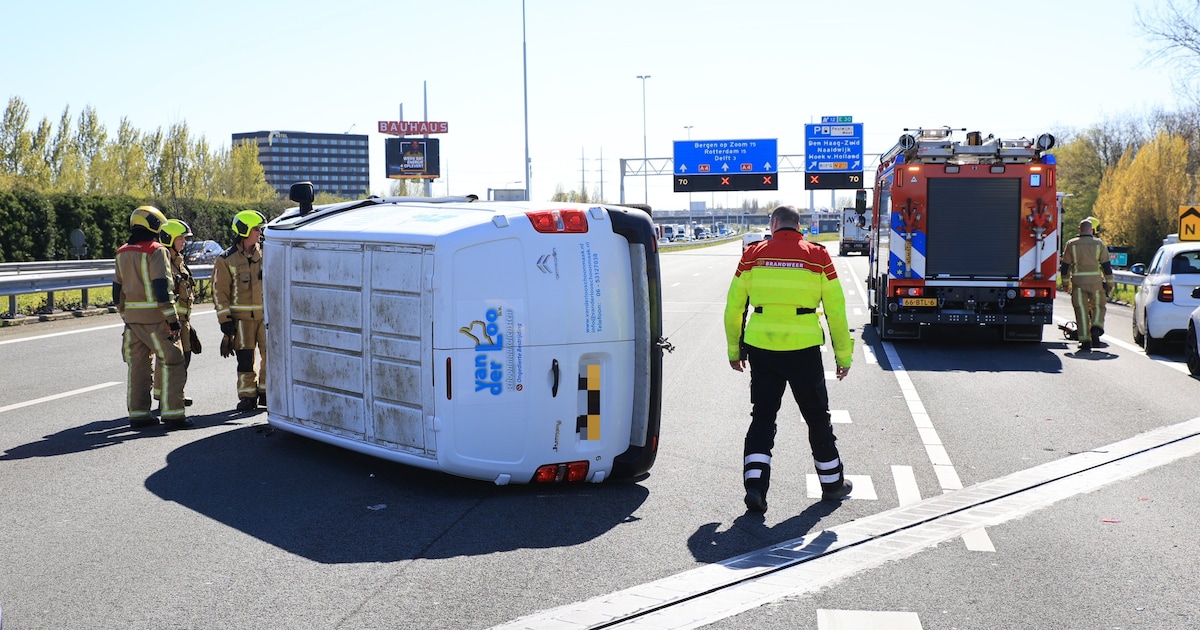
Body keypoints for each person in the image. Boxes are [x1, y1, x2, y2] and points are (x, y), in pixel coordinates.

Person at [724, 205, 854, 513]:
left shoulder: (753, 255)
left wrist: (734, 350)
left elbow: (734, 307)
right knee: (816, 417)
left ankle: (755, 487)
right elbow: (836, 309)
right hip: (804, 347)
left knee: (763, 416)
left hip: (762, 346)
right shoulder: (818, 256)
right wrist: (843, 356)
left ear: (774, 223)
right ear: (799, 225)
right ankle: (832, 484)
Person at [113, 206, 193, 430]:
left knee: (138, 367)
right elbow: (162, 288)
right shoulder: (157, 250)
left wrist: (126, 315)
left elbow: (117, 291)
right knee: (173, 361)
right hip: (157, 321)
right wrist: (172, 319)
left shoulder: (122, 251)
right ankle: (174, 415)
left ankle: (139, 415)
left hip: (133, 322)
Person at [213, 210, 267, 412]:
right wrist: (225, 320)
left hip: (266, 319)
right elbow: (219, 292)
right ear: (244, 231)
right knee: (245, 360)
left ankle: (266, 392)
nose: (259, 233)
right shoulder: (226, 259)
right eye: (256, 229)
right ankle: (247, 396)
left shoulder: (267, 254)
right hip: (241, 321)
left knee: (271, 356)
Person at [153, 219, 197, 407]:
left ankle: (176, 393)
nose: (184, 242)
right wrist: (171, 320)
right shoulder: (163, 263)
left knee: (184, 358)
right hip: (170, 321)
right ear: (168, 238)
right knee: (170, 360)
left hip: (183, 320)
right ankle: (165, 397)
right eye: (181, 238)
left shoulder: (179, 261)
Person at [1059, 217, 1113, 352]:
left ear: (1079, 230)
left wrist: (1065, 283)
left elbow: (1065, 266)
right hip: (1095, 283)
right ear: (1092, 230)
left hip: (1078, 283)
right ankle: (1096, 327)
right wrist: (1110, 282)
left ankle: (1085, 342)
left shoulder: (1071, 244)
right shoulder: (1099, 244)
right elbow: (1106, 266)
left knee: (1081, 310)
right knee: (1099, 306)